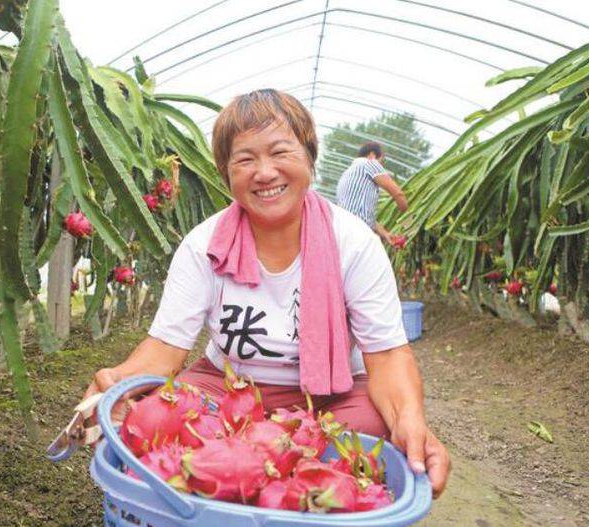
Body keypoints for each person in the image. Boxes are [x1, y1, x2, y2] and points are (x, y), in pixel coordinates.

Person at [84, 89, 450, 498]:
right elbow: (165, 349)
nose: (264, 172)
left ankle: (226, 472)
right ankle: (285, 483)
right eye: (244, 159)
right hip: (225, 387)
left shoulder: (354, 243)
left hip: (332, 397)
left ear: (310, 159)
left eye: (280, 152)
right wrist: (116, 383)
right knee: (149, 419)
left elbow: (386, 356)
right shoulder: (203, 245)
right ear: (227, 174)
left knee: (375, 429)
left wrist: (410, 422)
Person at [336, 142, 408, 246]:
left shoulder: (348, 173)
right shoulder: (369, 163)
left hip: (344, 232)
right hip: (357, 232)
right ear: (372, 155)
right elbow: (397, 193)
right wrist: (407, 213)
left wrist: (385, 234)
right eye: (383, 160)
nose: (382, 165)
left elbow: (364, 215)